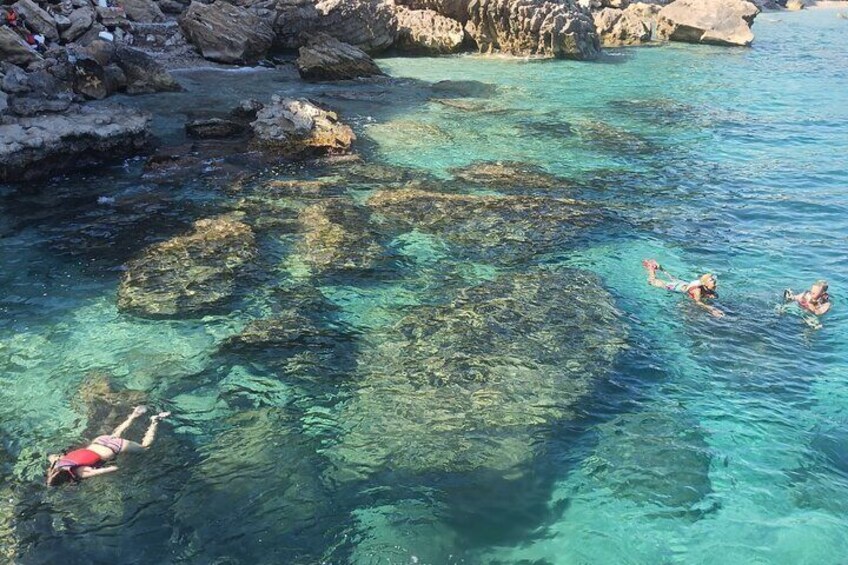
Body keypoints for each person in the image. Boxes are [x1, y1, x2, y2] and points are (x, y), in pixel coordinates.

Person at [46, 406, 170, 486]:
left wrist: (116, 469)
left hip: (114, 448)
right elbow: (51, 456)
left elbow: (111, 469)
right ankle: (134, 414)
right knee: (114, 434)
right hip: (100, 440)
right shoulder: (56, 462)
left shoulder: (80, 473)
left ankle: (155, 420)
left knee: (145, 447)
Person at [643, 259, 724, 318]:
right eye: (712, 281)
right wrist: (711, 309)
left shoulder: (707, 288)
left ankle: (660, 268)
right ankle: (651, 268)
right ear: (705, 283)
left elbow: (712, 295)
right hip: (677, 287)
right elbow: (698, 302)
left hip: (684, 284)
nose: (715, 282)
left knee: (673, 279)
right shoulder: (697, 290)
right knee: (652, 282)